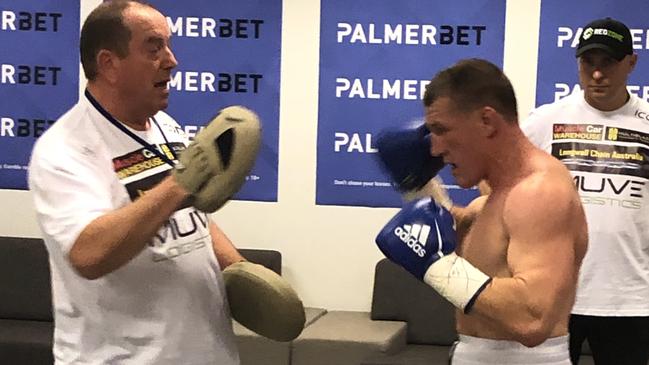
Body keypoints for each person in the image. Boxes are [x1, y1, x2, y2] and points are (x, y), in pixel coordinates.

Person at [28, 1, 304, 364]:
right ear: (109, 64)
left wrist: (236, 267)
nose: (171, 60)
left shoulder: (163, 127)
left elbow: (186, 214)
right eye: (153, 48)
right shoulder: (64, 150)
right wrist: (180, 183)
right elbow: (87, 254)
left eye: (169, 46)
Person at [375, 58, 588, 365]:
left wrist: (439, 268)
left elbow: (533, 319)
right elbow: (471, 244)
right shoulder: (494, 198)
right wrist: (420, 187)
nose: (434, 149)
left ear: (487, 121)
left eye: (441, 130)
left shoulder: (539, 192)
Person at [522, 17, 649, 365]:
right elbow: (498, 177)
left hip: (631, 299)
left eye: (608, 63)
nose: (596, 74)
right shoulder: (546, 120)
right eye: (587, 63)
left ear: (631, 63)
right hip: (556, 297)